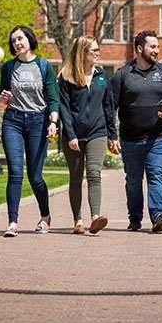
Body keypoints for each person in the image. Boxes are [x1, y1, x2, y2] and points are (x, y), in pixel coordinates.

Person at [110, 30, 162, 233]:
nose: (157, 50)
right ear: (140, 49)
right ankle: (135, 218)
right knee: (133, 181)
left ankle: (158, 215)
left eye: (157, 47)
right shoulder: (123, 74)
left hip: (157, 138)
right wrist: (111, 135)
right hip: (130, 139)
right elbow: (110, 106)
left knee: (156, 175)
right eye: (153, 47)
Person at [0, 25, 60, 237]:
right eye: (13, 40)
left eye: (20, 38)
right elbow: (3, 97)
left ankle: (45, 216)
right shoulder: (8, 67)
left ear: (29, 39)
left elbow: (53, 98)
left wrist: (53, 122)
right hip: (13, 121)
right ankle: (12, 223)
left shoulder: (43, 65)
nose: (17, 43)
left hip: (38, 122)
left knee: (35, 177)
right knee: (15, 172)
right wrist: (3, 98)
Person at [58, 36, 117, 235]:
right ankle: (78, 220)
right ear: (83, 53)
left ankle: (95, 218)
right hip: (73, 134)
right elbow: (64, 108)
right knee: (76, 177)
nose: (98, 53)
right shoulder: (66, 76)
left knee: (93, 173)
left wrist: (113, 135)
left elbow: (108, 107)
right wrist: (70, 135)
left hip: (97, 132)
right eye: (94, 50)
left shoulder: (101, 75)